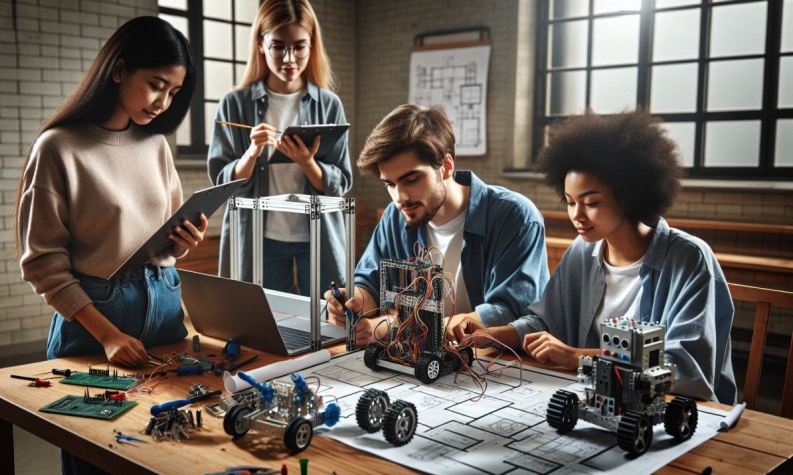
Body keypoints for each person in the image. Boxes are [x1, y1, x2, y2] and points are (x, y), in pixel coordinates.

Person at [15, 16, 200, 475]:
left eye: (174, 92)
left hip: (164, 309)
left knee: (165, 449)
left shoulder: (156, 145)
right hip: (94, 323)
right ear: (118, 71)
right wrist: (108, 335)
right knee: (92, 463)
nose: (163, 102)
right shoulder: (58, 148)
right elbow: (43, 264)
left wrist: (182, 243)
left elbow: (165, 240)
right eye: (156, 84)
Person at [450, 110, 737, 404]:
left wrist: (579, 358)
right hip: (597, 399)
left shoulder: (690, 258)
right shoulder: (583, 250)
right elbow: (547, 323)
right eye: (570, 202)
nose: (577, 215)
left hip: (672, 411)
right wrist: (493, 335)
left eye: (591, 202)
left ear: (629, 194)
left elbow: (686, 369)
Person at [325, 104, 550, 346]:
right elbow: (369, 282)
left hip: (495, 365)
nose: (399, 197)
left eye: (411, 179)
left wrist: (389, 328)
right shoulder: (395, 216)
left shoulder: (515, 216)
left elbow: (512, 312)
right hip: (416, 360)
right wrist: (355, 302)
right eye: (389, 184)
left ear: (447, 167)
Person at [207, 0, 351, 296]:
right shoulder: (234, 105)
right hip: (259, 238)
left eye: (299, 46)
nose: (289, 58)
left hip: (318, 236)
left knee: (330, 323)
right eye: (278, 46)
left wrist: (307, 163)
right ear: (260, 43)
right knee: (267, 325)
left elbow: (342, 182)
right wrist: (251, 154)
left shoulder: (329, 104)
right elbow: (221, 183)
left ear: (312, 46)